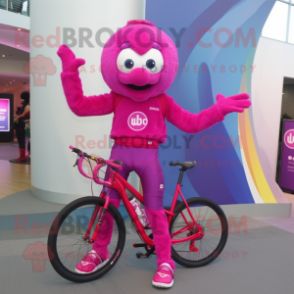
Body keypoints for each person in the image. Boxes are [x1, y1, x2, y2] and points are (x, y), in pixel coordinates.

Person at [57, 20, 251, 288]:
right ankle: (99, 251)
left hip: (149, 156)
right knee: (108, 204)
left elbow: (191, 123)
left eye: (149, 63)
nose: (139, 74)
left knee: (155, 211)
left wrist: (219, 110)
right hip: (119, 153)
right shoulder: (116, 97)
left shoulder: (162, 101)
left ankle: (164, 262)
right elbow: (79, 106)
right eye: (129, 62)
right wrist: (70, 74)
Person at [14, 91, 30, 162]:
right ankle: (24, 156)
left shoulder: (21, 105)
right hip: (24, 124)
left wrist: (17, 117)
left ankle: (23, 156)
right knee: (24, 141)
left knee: (21, 141)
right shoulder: (27, 105)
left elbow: (17, 114)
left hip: (20, 124)